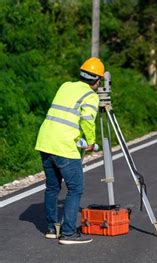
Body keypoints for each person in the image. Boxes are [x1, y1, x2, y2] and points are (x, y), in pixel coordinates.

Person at [35, 57, 104, 245]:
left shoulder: (65, 86)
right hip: (64, 147)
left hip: (45, 142)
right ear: (97, 81)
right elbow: (87, 120)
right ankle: (68, 233)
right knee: (75, 188)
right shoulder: (91, 96)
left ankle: (51, 229)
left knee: (52, 187)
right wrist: (91, 142)